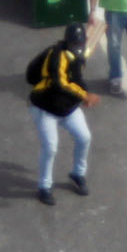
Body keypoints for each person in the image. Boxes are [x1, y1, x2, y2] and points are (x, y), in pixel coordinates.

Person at [24, 22, 93, 203]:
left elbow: (77, 76)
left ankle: (78, 173)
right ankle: (44, 187)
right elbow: (60, 84)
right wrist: (84, 96)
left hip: (67, 108)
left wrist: (100, 26)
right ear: (67, 43)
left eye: (80, 44)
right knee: (50, 147)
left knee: (84, 137)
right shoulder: (57, 56)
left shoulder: (79, 53)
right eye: (75, 45)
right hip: (45, 108)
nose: (78, 48)